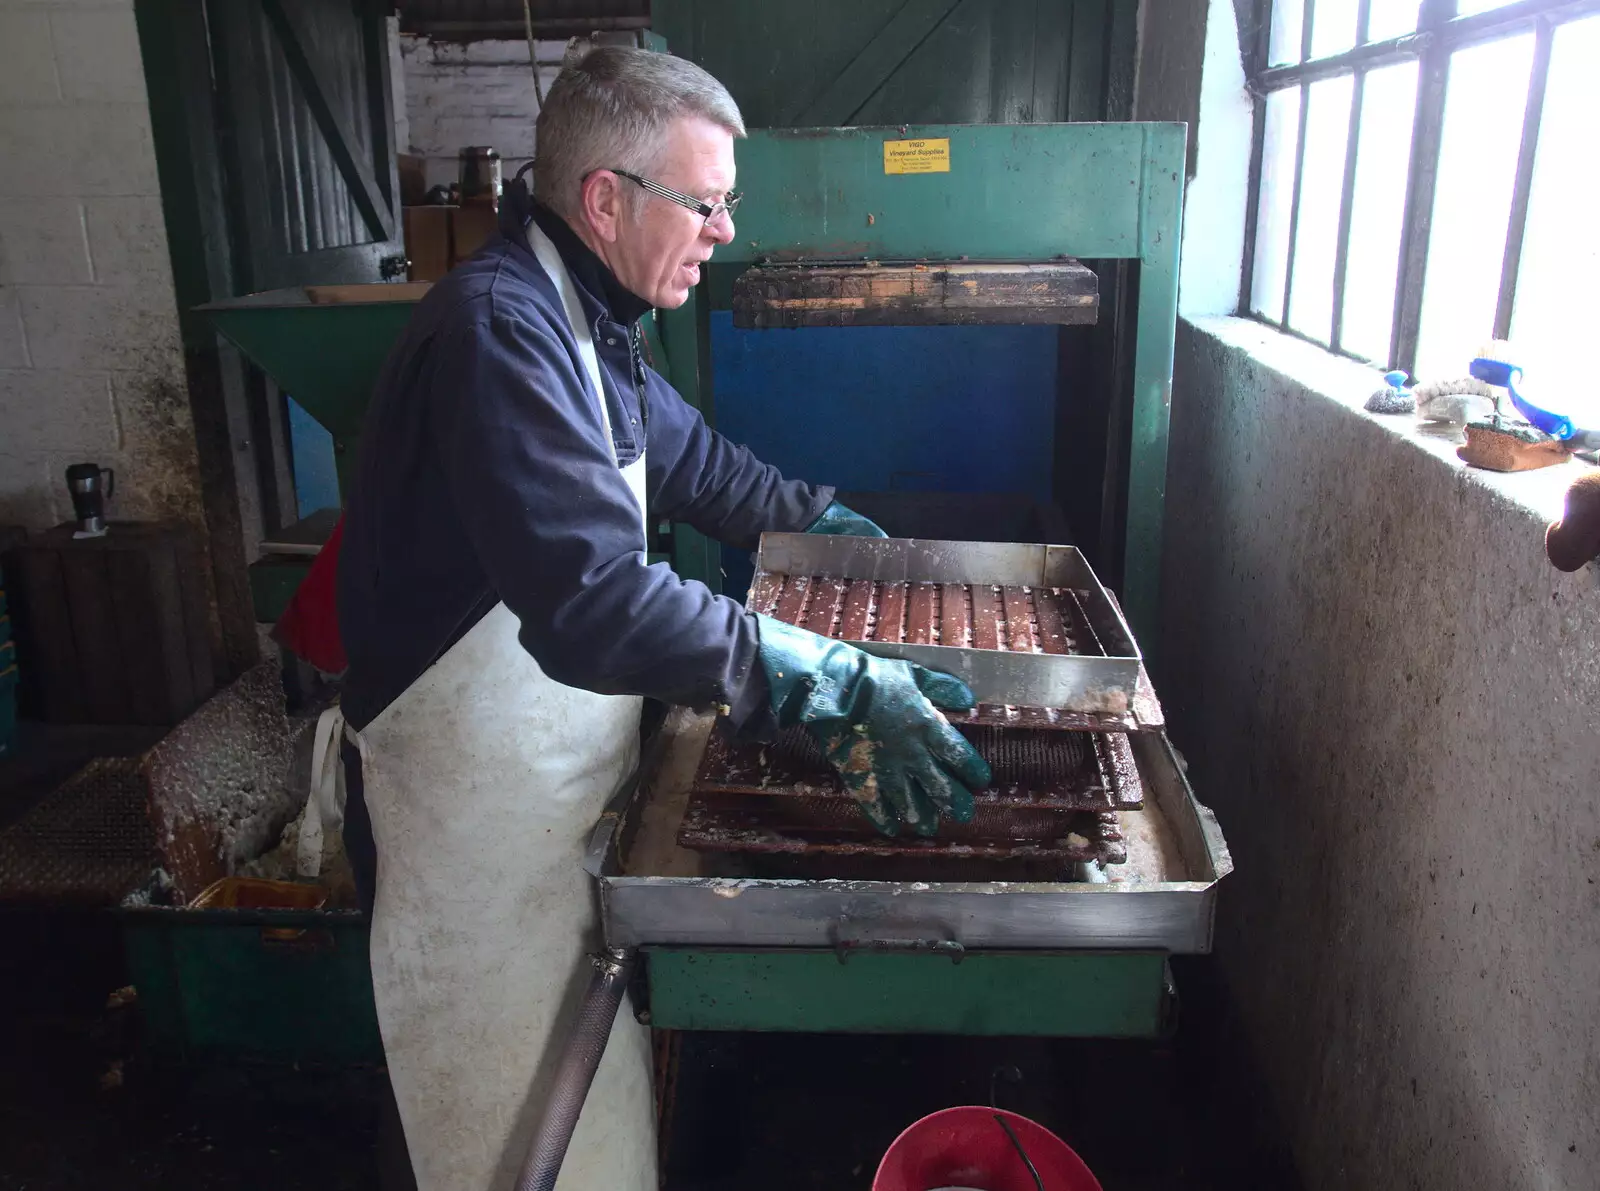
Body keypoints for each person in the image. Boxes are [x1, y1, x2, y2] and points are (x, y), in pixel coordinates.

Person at [335, 46, 990, 1190]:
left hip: (555, 807)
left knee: (586, 1120)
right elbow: (592, 602)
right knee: (508, 1148)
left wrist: (831, 533)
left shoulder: (589, 324)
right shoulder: (501, 333)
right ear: (606, 198)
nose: (724, 231)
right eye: (708, 203)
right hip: (475, 843)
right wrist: (819, 679)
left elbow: (705, 472)